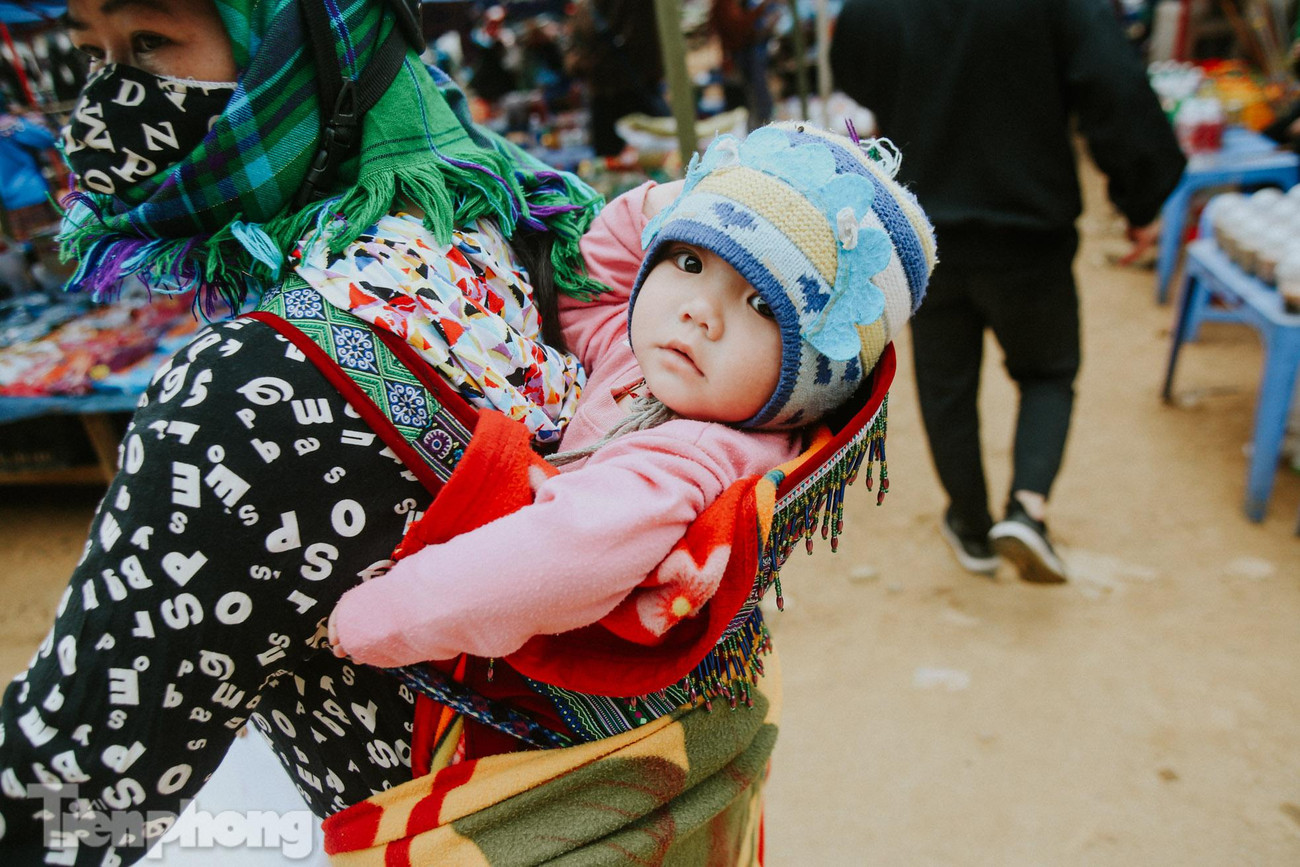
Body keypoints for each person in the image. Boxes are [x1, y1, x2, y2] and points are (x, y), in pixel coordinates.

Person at [0, 0, 603, 861]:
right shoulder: (513, 219)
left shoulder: (243, 402)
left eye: (150, 42)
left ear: (298, 48)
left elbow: (66, 795)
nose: (106, 101)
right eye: (92, 54)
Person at [326, 122, 938, 671]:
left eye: (760, 305)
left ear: (816, 379)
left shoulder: (693, 452)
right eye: (690, 261)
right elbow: (590, 283)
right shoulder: (660, 359)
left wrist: (378, 617)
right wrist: (673, 200)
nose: (700, 312)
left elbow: (551, 560)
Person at [831, 0, 1186, 583]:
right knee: (1046, 373)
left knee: (947, 387)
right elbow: (1115, 85)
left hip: (927, 233)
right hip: (1030, 232)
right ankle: (1028, 509)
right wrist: (1139, 197)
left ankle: (970, 527)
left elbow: (854, 68)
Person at [0, 92, 58, 242]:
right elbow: (46, 139)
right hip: (32, 192)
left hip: (9, 200)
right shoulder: (9, 125)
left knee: (29, 247)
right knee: (54, 247)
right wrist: (22, 118)